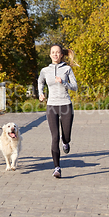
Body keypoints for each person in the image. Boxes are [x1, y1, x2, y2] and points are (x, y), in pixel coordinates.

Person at [38, 44, 78, 178]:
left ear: (62, 55)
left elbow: (75, 87)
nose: (55, 54)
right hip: (51, 106)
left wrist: (63, 82)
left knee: (66, 136)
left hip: (66, 105)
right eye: (52, 52)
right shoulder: (45, 70)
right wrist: (41, 93)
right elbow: (40, 82)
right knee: (54, 137)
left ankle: (65, 141)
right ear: (50, 55)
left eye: (57, 52)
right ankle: (57, 168)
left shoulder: (67, 69)